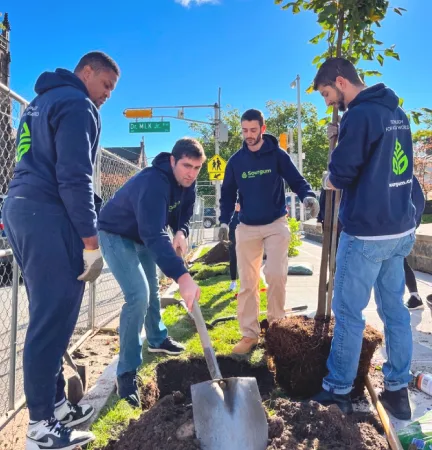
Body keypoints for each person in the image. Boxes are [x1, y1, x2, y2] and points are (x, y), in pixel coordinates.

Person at [3, 51, 119, 450]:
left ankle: (54, 405)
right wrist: (90, 243)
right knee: (52, 320)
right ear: (86, 72)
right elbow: (75, 177)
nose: (107, 96)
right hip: (50, 213)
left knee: (45, 313)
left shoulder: (39, 103)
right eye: (106, 85)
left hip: (20, 207)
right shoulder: (77, 104)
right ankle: (40, 429)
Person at [312, 57, 416, 420]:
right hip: (399, 228)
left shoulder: (358, 115)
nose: (327, 102)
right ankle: (398, 391)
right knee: (395, 312)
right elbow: (396, 165)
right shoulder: (397, 113)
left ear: (341, 82)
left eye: (327, 93)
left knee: (349, 313)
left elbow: (341, 175)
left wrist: (329, 173)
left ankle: (338, 390)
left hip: (367, 233)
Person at [98, 138, 205, 407]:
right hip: (116, 233)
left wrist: (182, 231)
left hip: (143, 236)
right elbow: (154, 234)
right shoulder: (153, 182)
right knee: (138, 296)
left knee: (152, 290)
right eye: (186, 166)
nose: (191, 173)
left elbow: (185, 212)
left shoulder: (187, 184)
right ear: (172, 160)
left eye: (197, 168)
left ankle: (157, 338)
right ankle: (126, 371)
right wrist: (182, 277)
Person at [218, 109, 319, 354]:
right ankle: (249, 334)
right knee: (248, 282)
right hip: (247, 226)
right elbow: (228, 194)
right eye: (244, 131)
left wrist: (308, 196)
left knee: (275, 274)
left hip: (275, 224)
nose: (249, 135)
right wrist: (223, 222)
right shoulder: (236, 161)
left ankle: (275, 329)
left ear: (263, 129)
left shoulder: (277, 155)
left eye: (253, 130)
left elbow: (297, 180)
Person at [404, 175, 426, 310]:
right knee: (399, 262)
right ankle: (415, 297)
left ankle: (415, 297)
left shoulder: (407, 176)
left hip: (403, 229)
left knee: (399, 261)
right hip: (399, 228)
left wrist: (411, 225)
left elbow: (419, 202)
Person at [228, 203, 240, 291]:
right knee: (233, 256)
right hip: (233, 227)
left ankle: (248, 282)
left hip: (246, 226)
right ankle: (233, 281)